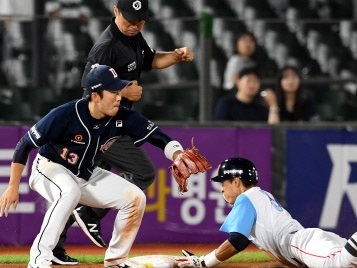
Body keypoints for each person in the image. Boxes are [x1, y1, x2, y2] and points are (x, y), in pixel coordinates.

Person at [0, 64, 195, 268]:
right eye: (113, 91)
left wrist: (178, 153)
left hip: (85, 173)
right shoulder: (66, 114)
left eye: (119, 91)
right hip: (49, 168)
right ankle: (39, 260)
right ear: (95, 95)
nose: (119, 97)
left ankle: (116, 260)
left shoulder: (122, 116)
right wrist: (13, 186)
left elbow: (157, 136)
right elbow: (24, 144)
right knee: (69, 192)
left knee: (135, 198)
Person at [53, 0, 195, 264]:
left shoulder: (134, 37)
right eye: (130, 18)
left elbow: (150, 59)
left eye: (140, 19)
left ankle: (55, 245)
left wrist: (175, 56)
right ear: (116, 11)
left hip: (119, 122)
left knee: (77, 184)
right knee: (143, 172)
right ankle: (90, 214)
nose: (135, 24)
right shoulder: (107, 46)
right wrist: (123, 91)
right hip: (103, 128)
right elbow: (88, 88)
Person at [177, 157, 357, 268]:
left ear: (237, 181)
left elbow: (237, 241)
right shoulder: (258, 198)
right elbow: (247, 240)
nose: (221, 189)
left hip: (300, 243)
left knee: (340, 263)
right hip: (305, 244)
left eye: (223, 182)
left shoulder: (246, 198)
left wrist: (203, 262)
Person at [213, 67, 279, 124]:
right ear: (238, 82)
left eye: (256, 81)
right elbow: (221, 130)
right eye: (249, 80)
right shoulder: (226, 104)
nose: (252, 85)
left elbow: (273, 132)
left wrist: (273, 106)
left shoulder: (260, 108)